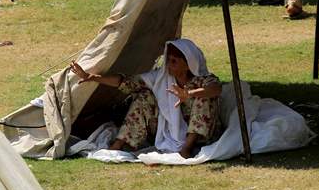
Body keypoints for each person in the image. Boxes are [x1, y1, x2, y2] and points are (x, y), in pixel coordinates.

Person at [70, 39, 222, 159]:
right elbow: (126, 82)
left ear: (188, 64)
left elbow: (215, 89)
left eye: (174, 61)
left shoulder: (203, 80)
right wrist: (93, 77)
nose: (169, 65)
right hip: (168, 130)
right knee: (145, 96)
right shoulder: (162, 78)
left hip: (201, 134)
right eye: (168, 60)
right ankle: (118, 145)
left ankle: (186, 149)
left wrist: (190, 93)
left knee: (204, 97)